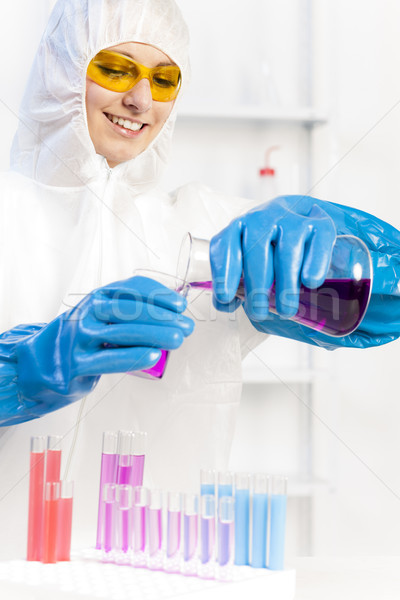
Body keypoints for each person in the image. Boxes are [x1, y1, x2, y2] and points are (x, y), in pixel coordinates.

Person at [1, 0, 400, 557]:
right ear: (63, 68)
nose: (140, 100)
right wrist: (31, 365)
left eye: (163, 80)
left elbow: (390, 306)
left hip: (159, 577)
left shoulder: (210, 231)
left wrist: (330, 238)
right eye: (116, 69)